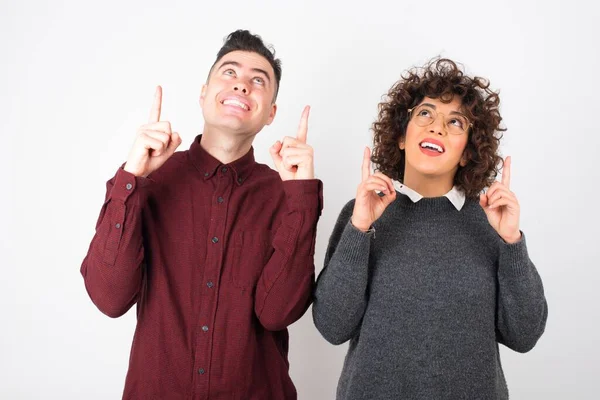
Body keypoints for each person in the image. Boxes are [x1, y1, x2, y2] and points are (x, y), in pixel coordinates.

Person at [80, 29, 322, 399]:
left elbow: (278, 312)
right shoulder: (148, 179)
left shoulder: (285, 195)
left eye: (258, 80)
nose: (242, 85)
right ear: (203, 94)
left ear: (270, 113)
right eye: (229, 72)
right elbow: (108, 297)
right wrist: (131, 178)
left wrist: (302, 198)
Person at [312, 58, 547, 399]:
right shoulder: (362, 214)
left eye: (455, 122)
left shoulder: (490, 222)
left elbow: (524, 336)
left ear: (467, 152)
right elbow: (333, 327)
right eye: (425, 113)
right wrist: (359, 228)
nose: (436, 127)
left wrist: (511, 242)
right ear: (402, 136)